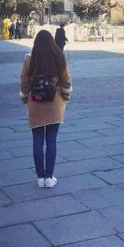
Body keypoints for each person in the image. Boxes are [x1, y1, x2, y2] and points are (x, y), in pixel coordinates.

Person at [20, 30, 72, 188]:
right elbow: (66, 81)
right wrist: (65, 97)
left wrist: (25, 99)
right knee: (51, 140)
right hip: (54, 104)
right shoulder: (59, 57)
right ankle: (49, 177)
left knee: (37, 140)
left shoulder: (29, 59)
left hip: (35, 104)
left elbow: (24, 83)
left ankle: (40, 178)